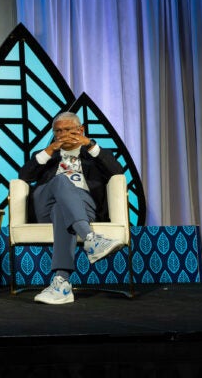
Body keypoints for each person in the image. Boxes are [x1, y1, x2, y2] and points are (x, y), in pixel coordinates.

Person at [18, 111, 125, 305]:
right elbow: (24, 176)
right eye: (58, 131)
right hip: (45, 206)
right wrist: (50, 150)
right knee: (61, 180)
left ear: (80, 130)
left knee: (62, 210)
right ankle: (91, 240)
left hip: (82, 207)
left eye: (68, 129)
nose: (63, 134)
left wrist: (90, 144)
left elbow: (117, 172)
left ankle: (61, 283)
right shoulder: (47, 156)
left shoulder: (93, 155)